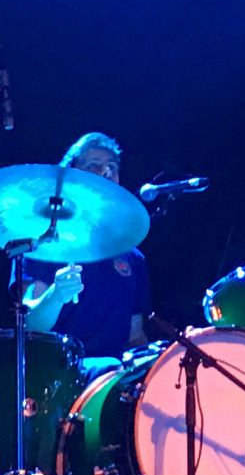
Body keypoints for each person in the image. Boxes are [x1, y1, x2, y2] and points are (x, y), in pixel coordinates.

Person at [20, 132, 151, 361]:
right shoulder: (41, 245)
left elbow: (134, 334)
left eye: (112, 167)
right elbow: (30, 324)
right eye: (94, 166)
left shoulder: (132, 257)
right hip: (59, 374)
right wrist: (56, 294)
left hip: (113, 380)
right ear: (72, 175)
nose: (105, 172)